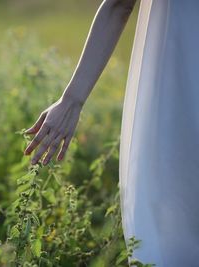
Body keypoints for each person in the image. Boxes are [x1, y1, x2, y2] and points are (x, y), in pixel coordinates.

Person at [23, 0, 199, 266]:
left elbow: (119, 5)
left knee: (169, 234)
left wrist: (72, 99)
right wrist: (71, 100)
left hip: (174, 100)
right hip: (177, 100)